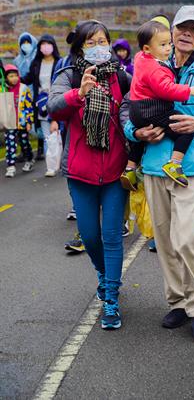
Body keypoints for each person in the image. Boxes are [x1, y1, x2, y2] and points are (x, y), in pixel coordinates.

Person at [120, 5, 194, 341]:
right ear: (171, 31)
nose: (186, 34)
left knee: (186, 238)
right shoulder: (151, 63)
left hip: (190, 169)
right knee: (165, 242)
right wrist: (135, 133)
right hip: (154, 168)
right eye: (181, 28)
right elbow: (128, 108)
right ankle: (178, 302)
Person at [47, 20, 131, 330]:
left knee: (111, 237)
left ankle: (111, 298)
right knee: (90, 236)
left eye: (102, 40)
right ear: (80, 46)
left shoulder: (121, 77)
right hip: (80, 173)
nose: (98, 46)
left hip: (115, 171)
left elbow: (137, 106)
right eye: (91, 41)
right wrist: (78, 94)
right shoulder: (68, 75)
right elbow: (53, 108)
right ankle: (102, 273)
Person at [121, 20, 194, 191]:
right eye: (163, 44)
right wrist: (189, 90)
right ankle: (174, 163)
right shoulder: (156, 68)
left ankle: (130, 168)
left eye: (169, 44)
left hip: (136, 110)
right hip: (152, 108)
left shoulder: (140, 59)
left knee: (141, 139)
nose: (168, 48)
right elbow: (166, 89)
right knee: (185, 129)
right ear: (147, 49)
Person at [22, 34, 61, 177]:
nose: (45, 47)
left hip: (58, 101)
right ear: (39, 47)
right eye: (42, 44)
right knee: (47, 136)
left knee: (60, 135)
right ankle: (50, 166)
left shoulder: (59, 62)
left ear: (53, 45)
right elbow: (27, 78)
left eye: (48, 43)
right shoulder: (36, 63)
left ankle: (62, 163)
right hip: (42, 104)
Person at [14, 32, 44, 160]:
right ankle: (24, 150)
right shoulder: (17, 60)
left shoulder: (38, 58)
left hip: (36, 92)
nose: (26, 45)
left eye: (28, 42)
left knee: (39, 120)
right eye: (23, 43)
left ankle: (41, 148)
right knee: (21, 121)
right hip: (21, 94)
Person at [4, 64, 34, 178]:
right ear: (6, 78)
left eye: (16, 75)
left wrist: (28, 122)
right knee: (10, 144)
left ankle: (29, 159)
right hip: (9, 122)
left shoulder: (23, 88)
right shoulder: (3, 89)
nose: (14, 78)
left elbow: (29, 106)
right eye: (11, 76)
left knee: (24, 143)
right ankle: (10, 166)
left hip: (22, 122)